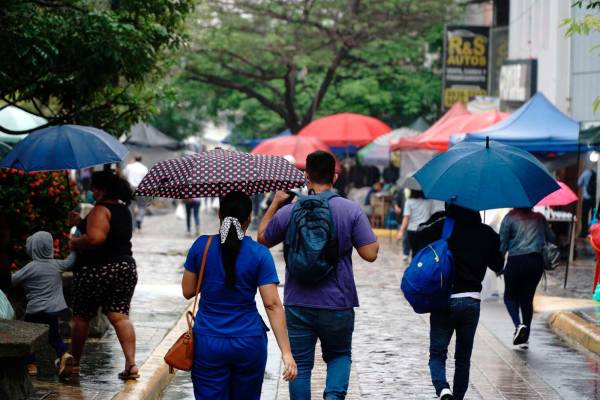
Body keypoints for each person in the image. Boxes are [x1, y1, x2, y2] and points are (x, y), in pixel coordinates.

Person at [258, 151, 379, 400]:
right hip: (338, 302)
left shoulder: (291, 211)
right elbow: (370, 254)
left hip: (298, 302)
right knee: (339, 355)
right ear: (334, 176)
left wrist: (275, 202)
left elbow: (262, 239)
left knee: (300, 366)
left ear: (306, 175)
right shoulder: (350, 210)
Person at [182, 191, 297, 399]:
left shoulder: (202, 246)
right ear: (249, 219)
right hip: (249, 342)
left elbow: (188, 291)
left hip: (208, 341)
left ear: (220, 216)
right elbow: (272, 305)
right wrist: (286, 352)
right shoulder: (259, 253)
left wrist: (211, 272)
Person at [414, 204, 504, 400]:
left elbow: (418, 237)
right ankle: (458, 397)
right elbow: (498, 265)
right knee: (463, 358)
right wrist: (492, 240)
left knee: (437, 353)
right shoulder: (486, 233)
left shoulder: (444, 227)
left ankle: (443, 389)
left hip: (444, 300)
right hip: (471, 300)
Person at [66, 171, 139, 380]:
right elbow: (110, 232)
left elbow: (96, 238)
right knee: (119, 316)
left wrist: (74, 242)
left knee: (81, 317)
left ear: (103, 189)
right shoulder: (123, 209)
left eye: (94, 188)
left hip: (97, 269)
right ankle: (131, 365)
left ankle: (74, 364)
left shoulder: (101, 209)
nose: (91, 191)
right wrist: (80, 222)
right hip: (124, 267)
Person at [11, 231, 76, 376]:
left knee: (27, 337)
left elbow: (13, 280)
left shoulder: (31, 267)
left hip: (34, 311)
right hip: (53, 311)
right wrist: (75, 247)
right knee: (54, 336)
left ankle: (31, 365)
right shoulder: (56, 264)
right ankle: (64, 355)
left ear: (33, 248)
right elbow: (70, 261)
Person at [499, 207, 555, 349]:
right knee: (527, 298)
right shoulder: (539, 218)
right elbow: (551, 238)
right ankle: (525, 336)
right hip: (535, 262)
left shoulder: (509, 218)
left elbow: (503, 244)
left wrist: (498, 265)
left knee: (509, 297)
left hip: (516, 261)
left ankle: (519, 326)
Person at [396, 190, 435, 260]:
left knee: (414, 251)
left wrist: (401, 232)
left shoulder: (409, 202)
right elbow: (432, 215)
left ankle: (414, 266)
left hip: (412, 231)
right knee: (424, 252)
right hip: (425, 230)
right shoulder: (430, 202)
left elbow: (406, 218)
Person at [123, 155, 149, 231]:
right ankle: (139, 219)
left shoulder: (129, 166)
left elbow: (124, 174)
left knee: (130, 206)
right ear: (141, 160)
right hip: (140, 188)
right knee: (142, 206)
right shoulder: (144, 168)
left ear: (134, 159)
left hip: (130, 188)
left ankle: (132, 225)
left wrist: (130, 163)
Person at [578, 167, 596, 237]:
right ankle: (593, 232)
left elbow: (579, 183)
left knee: (584, 216)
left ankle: (584, 232)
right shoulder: (598, 174)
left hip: (586, 198)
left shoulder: (585, 173)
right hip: (595, 199)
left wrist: (585, 186)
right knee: (594, 215)